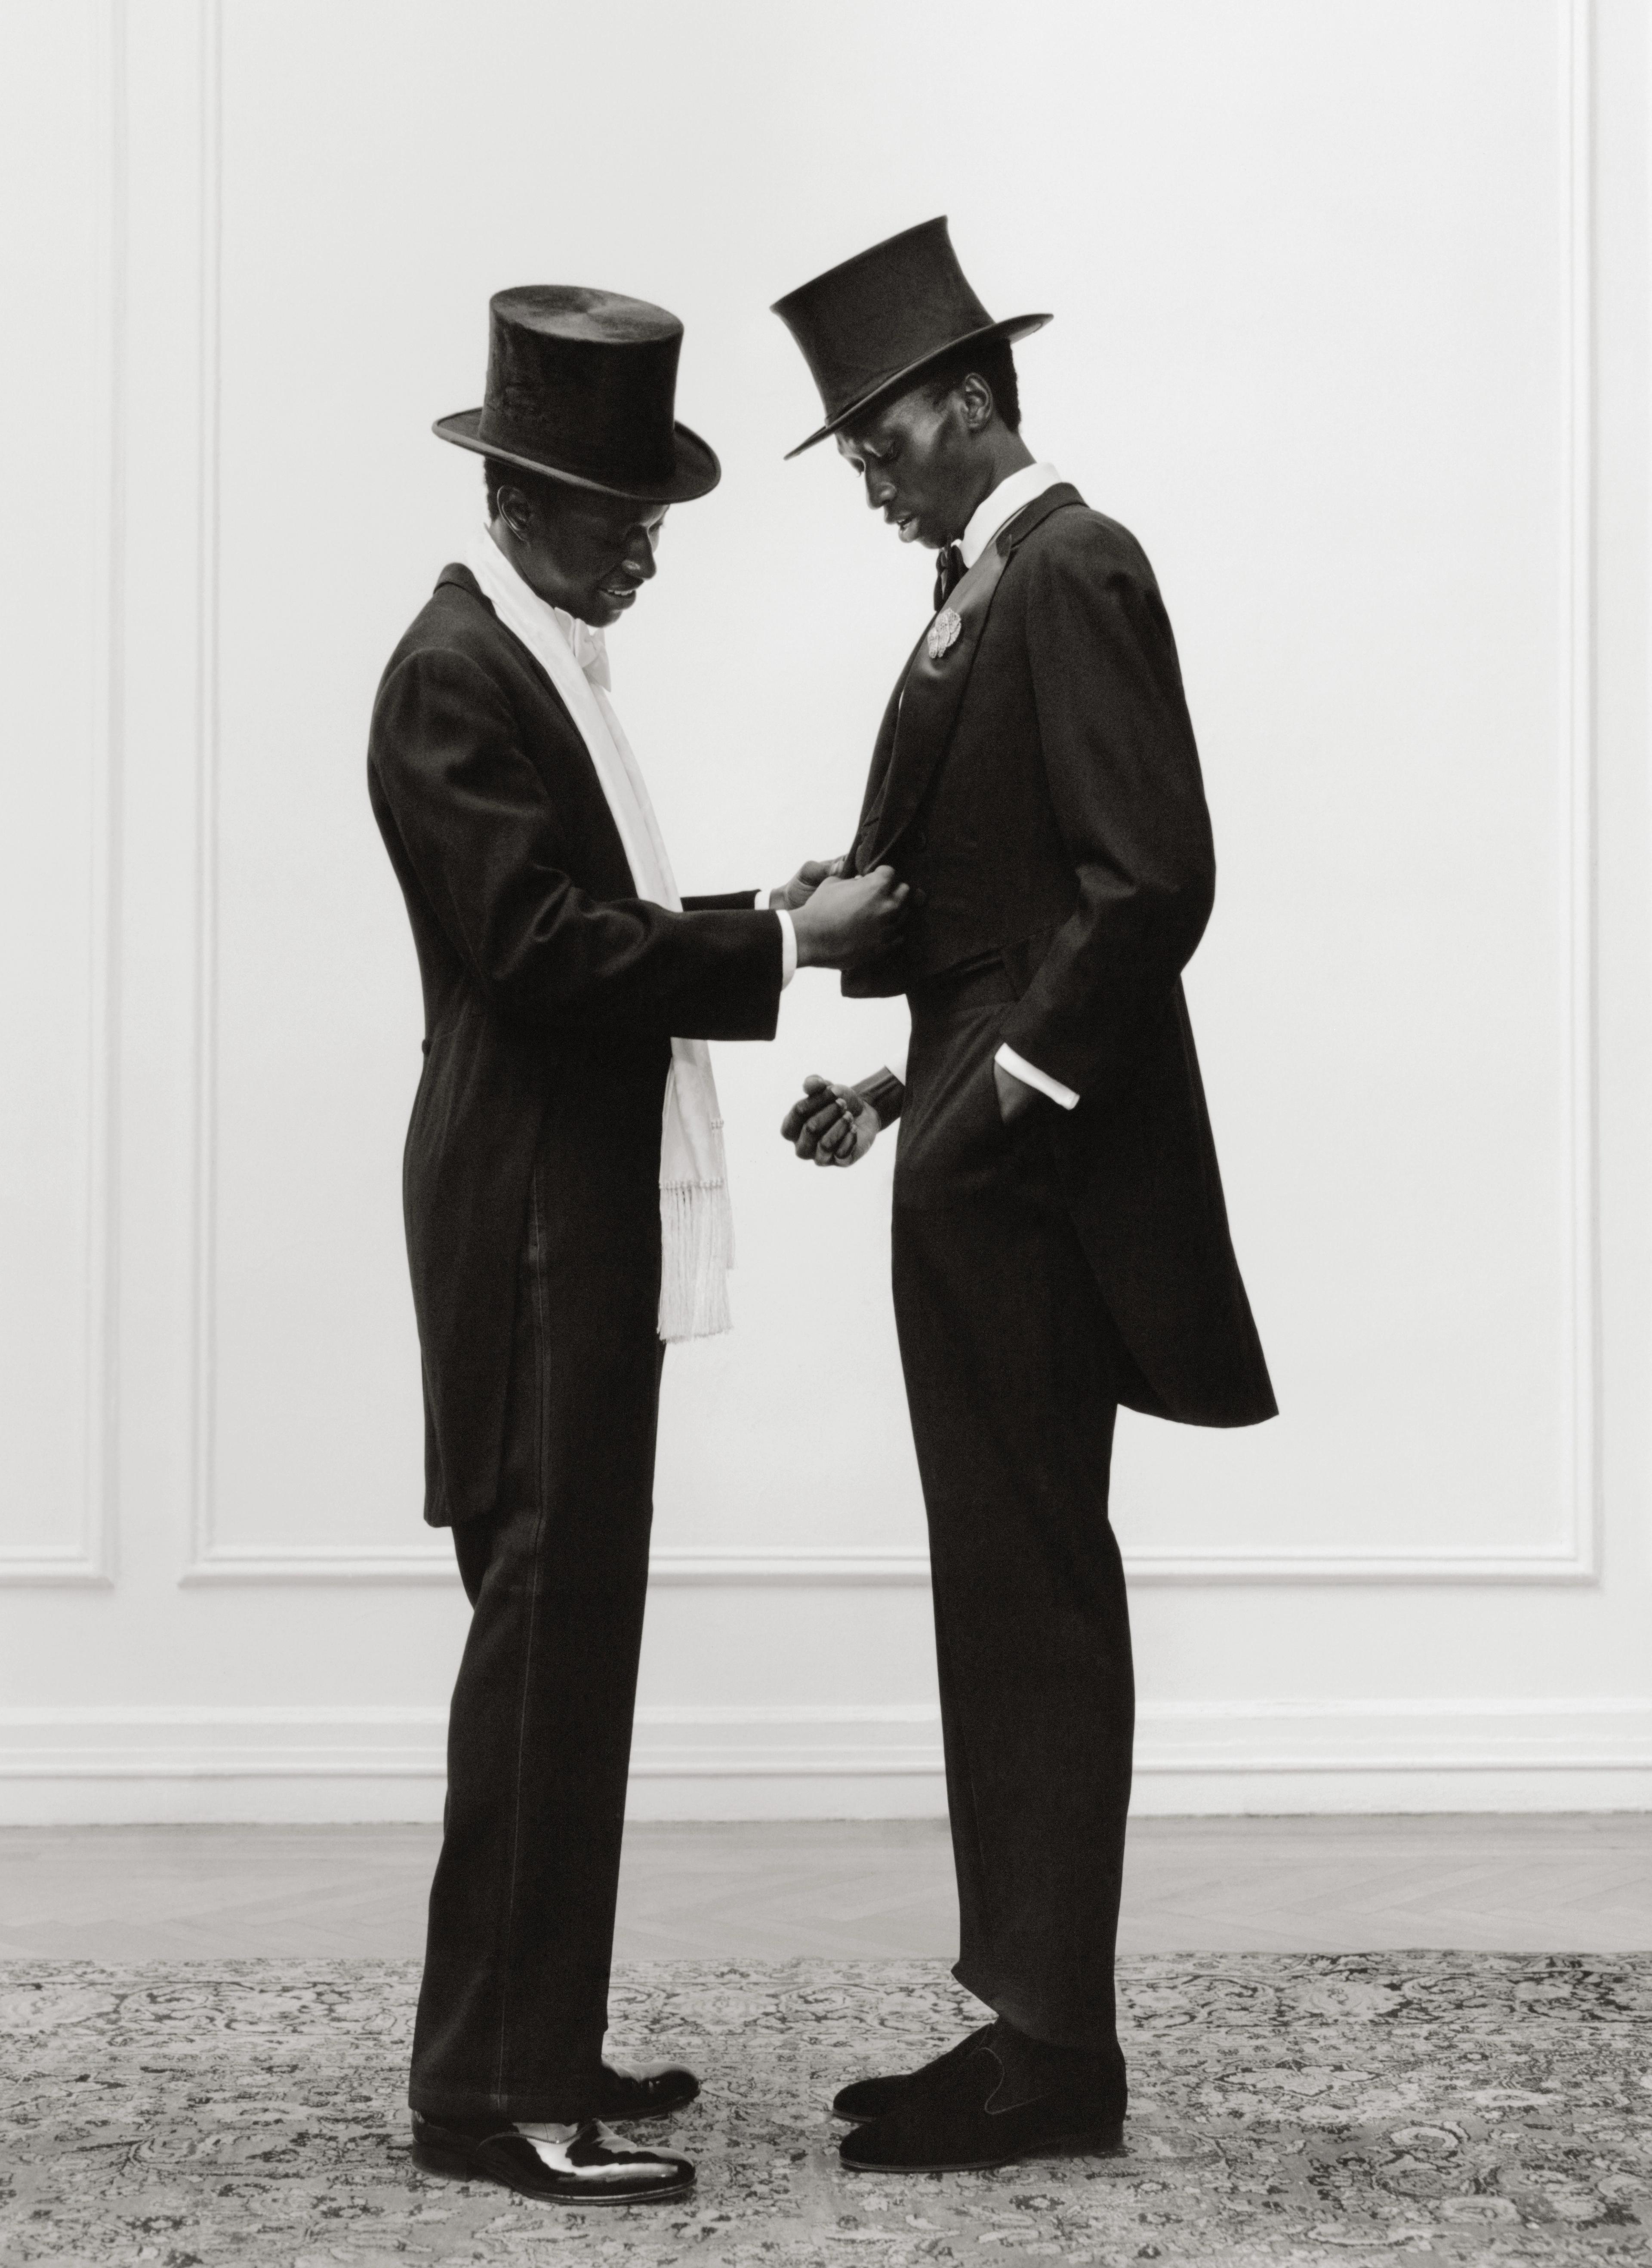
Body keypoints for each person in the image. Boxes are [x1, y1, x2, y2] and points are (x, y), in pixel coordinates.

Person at [367, 284, 906, 2207]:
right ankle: (489, 2091)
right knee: (539, 1641)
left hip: (566, 1214)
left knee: (576, 1631)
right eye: (617, 512)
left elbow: (579, 916)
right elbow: (534, 954)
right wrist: (785, 952)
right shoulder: (454, 675)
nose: (645, 548)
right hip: (528, 1223)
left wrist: (758, 909)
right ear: (521, 494)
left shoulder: (528, 659)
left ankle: (540, 2030)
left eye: (655, 511)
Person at [771, 219, 1276, 2174]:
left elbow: (1152, 885)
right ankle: (1025, 2021)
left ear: (973, 399)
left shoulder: (1076, 566)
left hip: (1035, 1169)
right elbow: (1023, 908)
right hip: (980, 1134)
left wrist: (1000, 1097)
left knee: (1037, 1589)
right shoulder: (989, 582)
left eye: (881, 437)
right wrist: (917, 1075)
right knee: (1003, 1586)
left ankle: (1058, 2058)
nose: (871, 477)